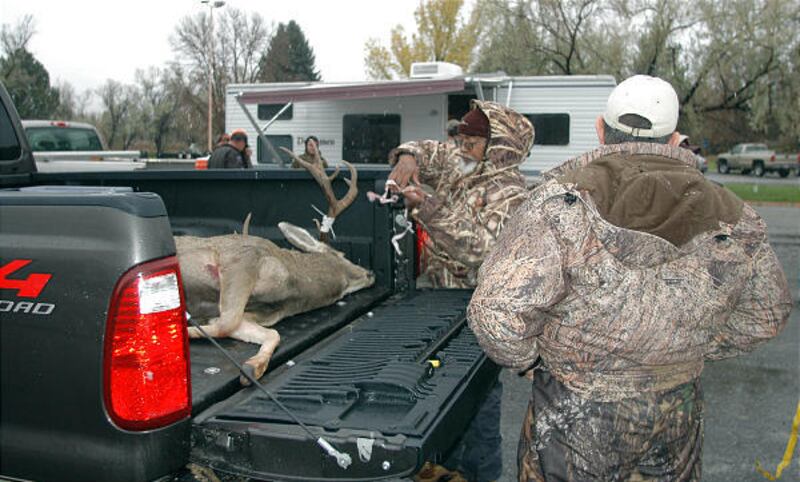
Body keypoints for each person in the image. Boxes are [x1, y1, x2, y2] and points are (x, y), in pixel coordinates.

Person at [467, 75, 792, 481]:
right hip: (678, 413)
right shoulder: (733, 214)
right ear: (675, 140)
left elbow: (495, 313)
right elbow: (767, 313)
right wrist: (688, 346)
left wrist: (536, 359)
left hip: (578, 416)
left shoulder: (561, 204)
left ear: (601, 131)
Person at [389, 100, 534, 482]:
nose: (461, 149)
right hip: (439, 307)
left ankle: (481, 475)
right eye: (461, 139)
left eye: (472, 143)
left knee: (477, 410)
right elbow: (434, 153)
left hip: (477, 321)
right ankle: (442, 467)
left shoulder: (511, 192)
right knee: (435, 397)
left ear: (498, 148)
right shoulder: (461, 163)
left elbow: (479, 250)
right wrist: (409, 156)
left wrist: (428, 208)